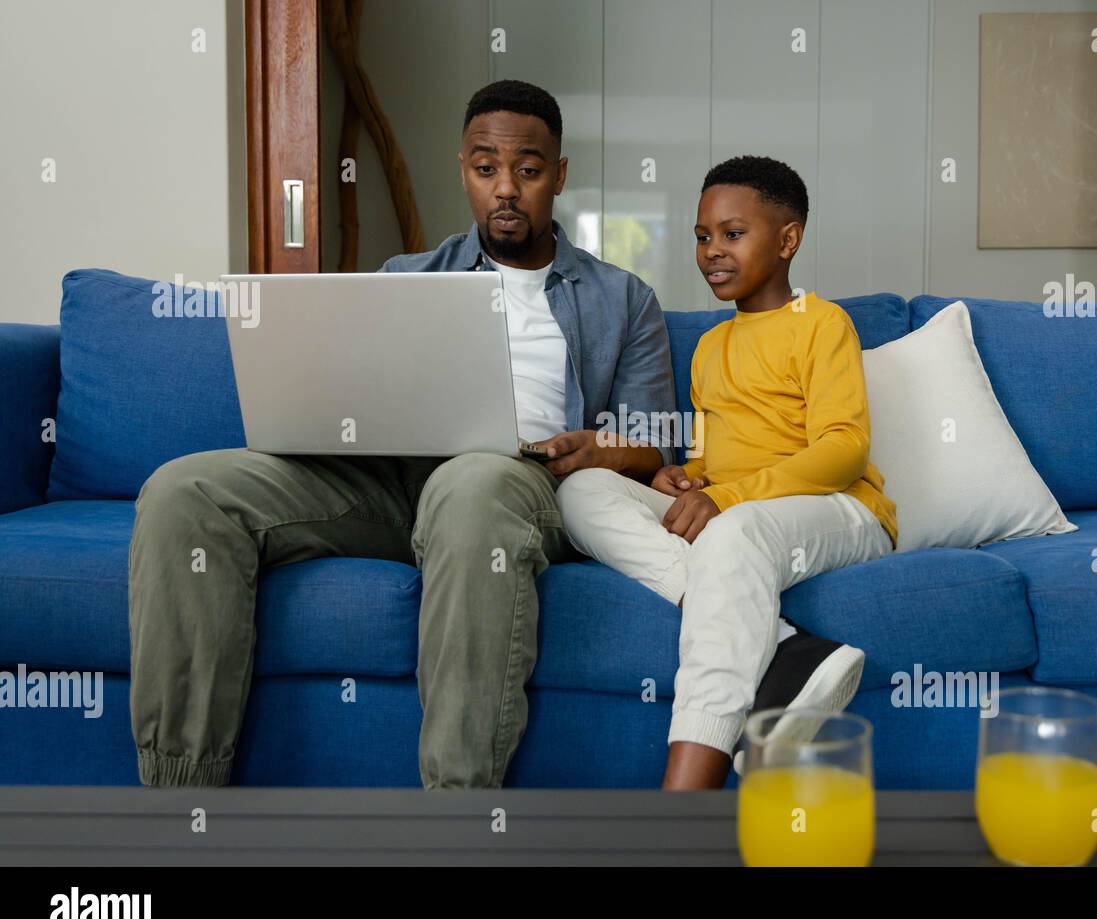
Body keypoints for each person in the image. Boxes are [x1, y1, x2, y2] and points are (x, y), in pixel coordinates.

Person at [128, 79, 677, 788]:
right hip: (386, 483)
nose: (505, 188)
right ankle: (179, 804)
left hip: (515, 486)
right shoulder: (407, 276)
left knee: (471, 481)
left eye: (529, 170)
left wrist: (592, 446)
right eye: (486, 169)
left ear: (559, 175)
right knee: (184, 491)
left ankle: (455, 816)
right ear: (463, 170)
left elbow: (656, 438)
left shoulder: (623, 298)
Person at [557, 155, 899, 790]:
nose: (712, 250)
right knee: (583, 491)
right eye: (702, 236)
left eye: (733, 234)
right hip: (739, 514)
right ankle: (783, 643)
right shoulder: (711, 346)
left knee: (733, 535)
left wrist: (730, 499)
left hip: (840, 509)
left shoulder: (822, 323)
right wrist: (686, 481)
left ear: (788, 240)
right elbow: (712, 458)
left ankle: (686, 795)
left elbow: (845, 448)